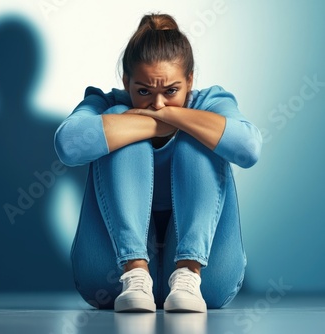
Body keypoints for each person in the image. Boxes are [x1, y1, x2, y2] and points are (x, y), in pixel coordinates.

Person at [54, 13, 262, 313]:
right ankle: (135, 272)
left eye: (171, 91)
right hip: (111, 276)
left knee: (200, 134)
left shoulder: (210, 101)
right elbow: (67, 145)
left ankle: (188, 273)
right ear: (126, 81)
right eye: (143, 92)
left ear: (190, 80)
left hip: (208, 279)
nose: (158, 104)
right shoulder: (108, 103)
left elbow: (249, 148)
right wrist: (148, 125)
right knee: (116, 128)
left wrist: (176, 119)